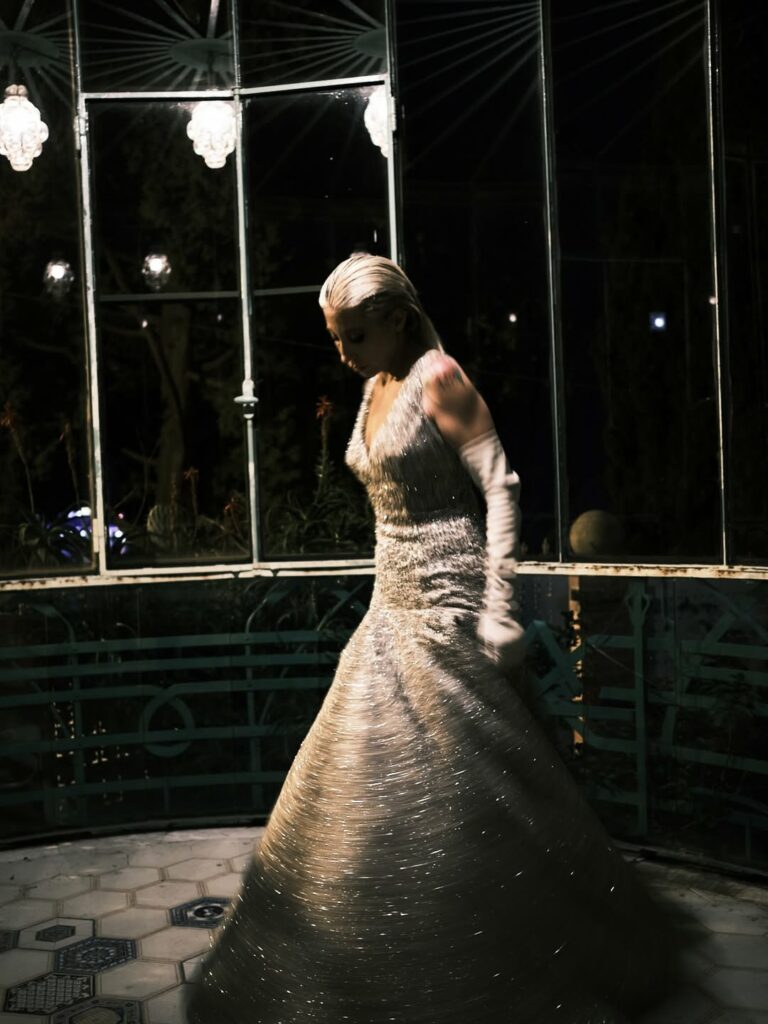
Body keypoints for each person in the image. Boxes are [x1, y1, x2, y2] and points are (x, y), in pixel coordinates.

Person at [185, 253, 695, 1024]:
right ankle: (375, 959)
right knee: (366, 773)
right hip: (390, 598)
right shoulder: (372, 388)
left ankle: (501, 960)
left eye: (355, 335)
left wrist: (499, 603)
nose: (343, 351)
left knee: (468, 772)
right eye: (335, 338)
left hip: (452, 596)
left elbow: (501, 486)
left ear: (397, 319)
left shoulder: (440, 379)